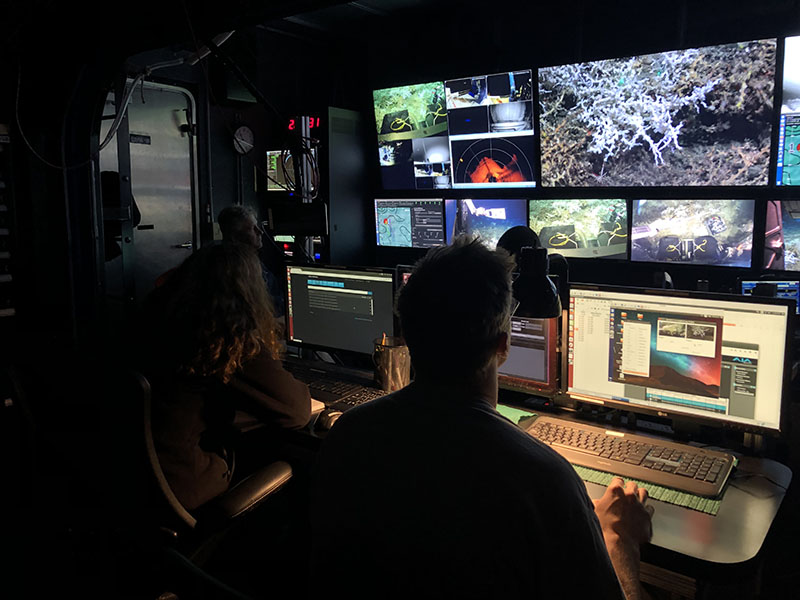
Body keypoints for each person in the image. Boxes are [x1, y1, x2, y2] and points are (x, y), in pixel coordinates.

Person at [310, 236, 653, 600]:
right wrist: (619, 544)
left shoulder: (348, 435)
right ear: (503, 345)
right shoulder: (545, 480)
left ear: (407, 335)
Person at [137, 242, 311, 510]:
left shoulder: (155, 318)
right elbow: (296, 412)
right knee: (294, 459)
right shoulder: (225, 337)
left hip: (133, 478)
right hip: (185, 485)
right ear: (247, 293)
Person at [217, 205, 286, 317]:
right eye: (252, 228)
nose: (260, 232)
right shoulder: (238, 267)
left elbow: (274, 285)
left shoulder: (249, 260)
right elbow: (264, 307)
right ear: (234, 236)